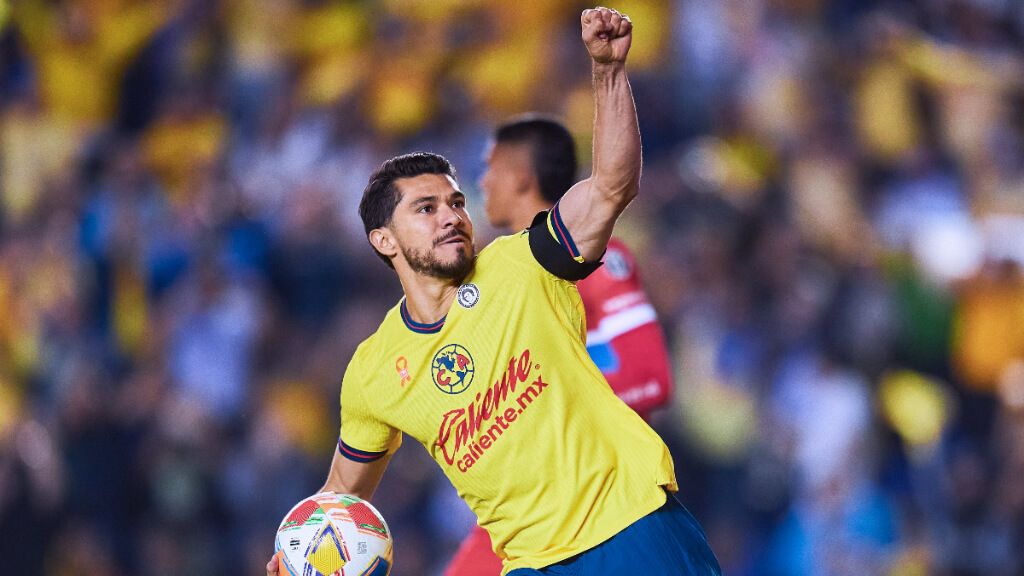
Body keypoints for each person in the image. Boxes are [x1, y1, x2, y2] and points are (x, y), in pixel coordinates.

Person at [268, 8, 720, 575]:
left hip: (628, 524)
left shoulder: (522, 261)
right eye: (426, 208)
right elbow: (340, 498)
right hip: (529, 564)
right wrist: (298, 555)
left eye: (456, 202)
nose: (452, 216)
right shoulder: (373, 373)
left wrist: (607, 72)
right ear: (384, 240)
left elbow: (611, 186)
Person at [443, 115, 675, 576]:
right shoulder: (492, 279)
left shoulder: (595, 261)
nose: (481, 181)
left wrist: (542, 403)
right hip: (525, 514)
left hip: (606, 508)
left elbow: (650, 379)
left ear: (521, 179)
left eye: (490, 167)